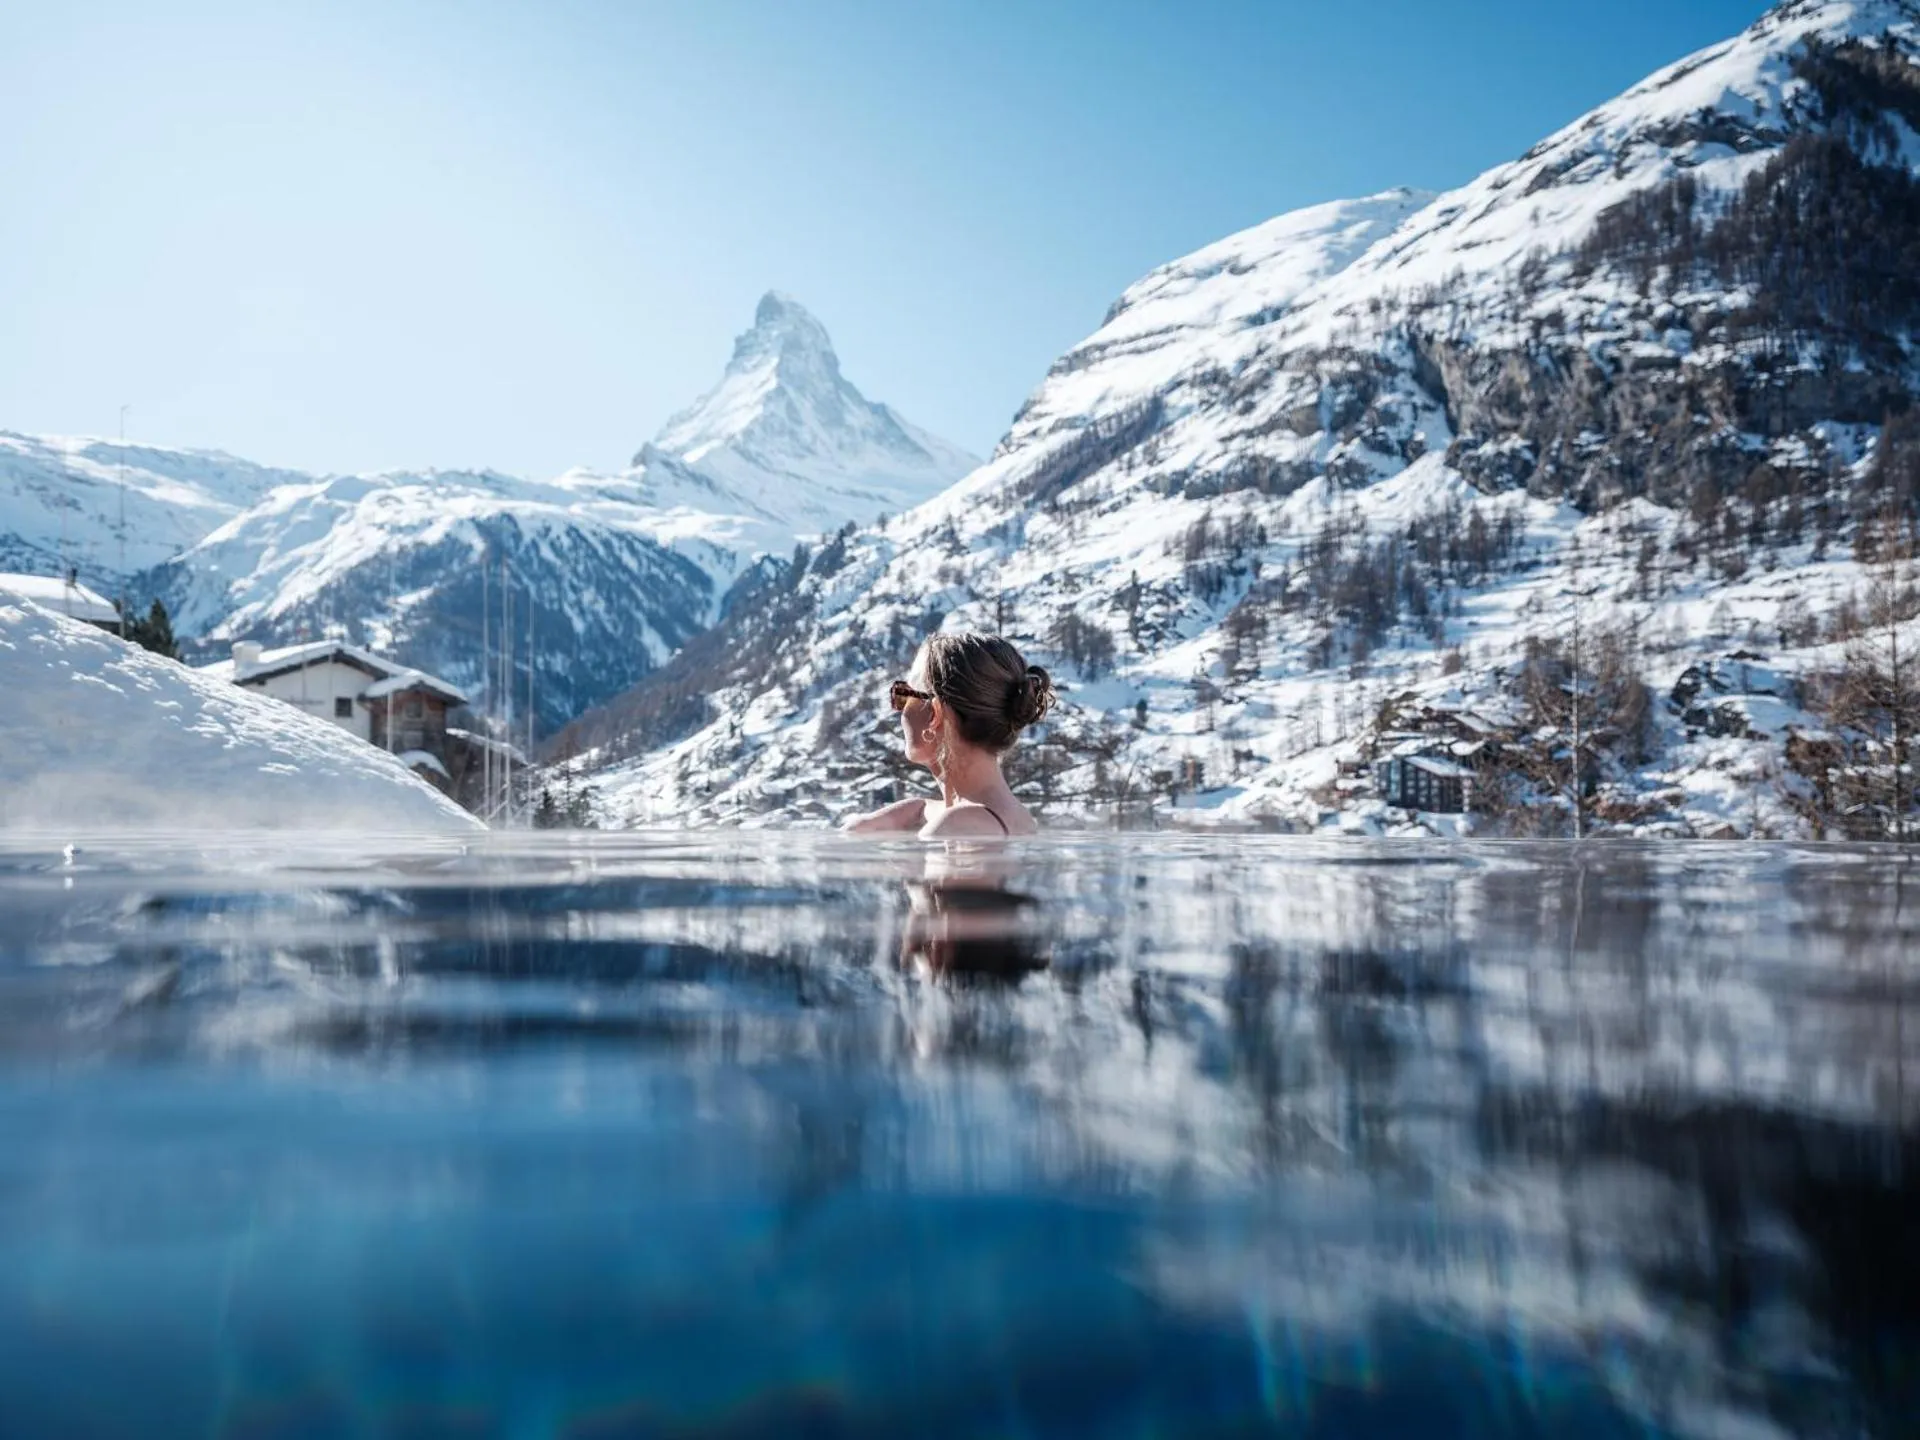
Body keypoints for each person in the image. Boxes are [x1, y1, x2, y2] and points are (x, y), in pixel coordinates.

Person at [840, 632, 1054, 838]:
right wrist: (911, 810)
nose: (900, 711)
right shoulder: (1009, 817)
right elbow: (927, 809)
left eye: (904, 696)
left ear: (935, 713)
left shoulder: (961, 825)